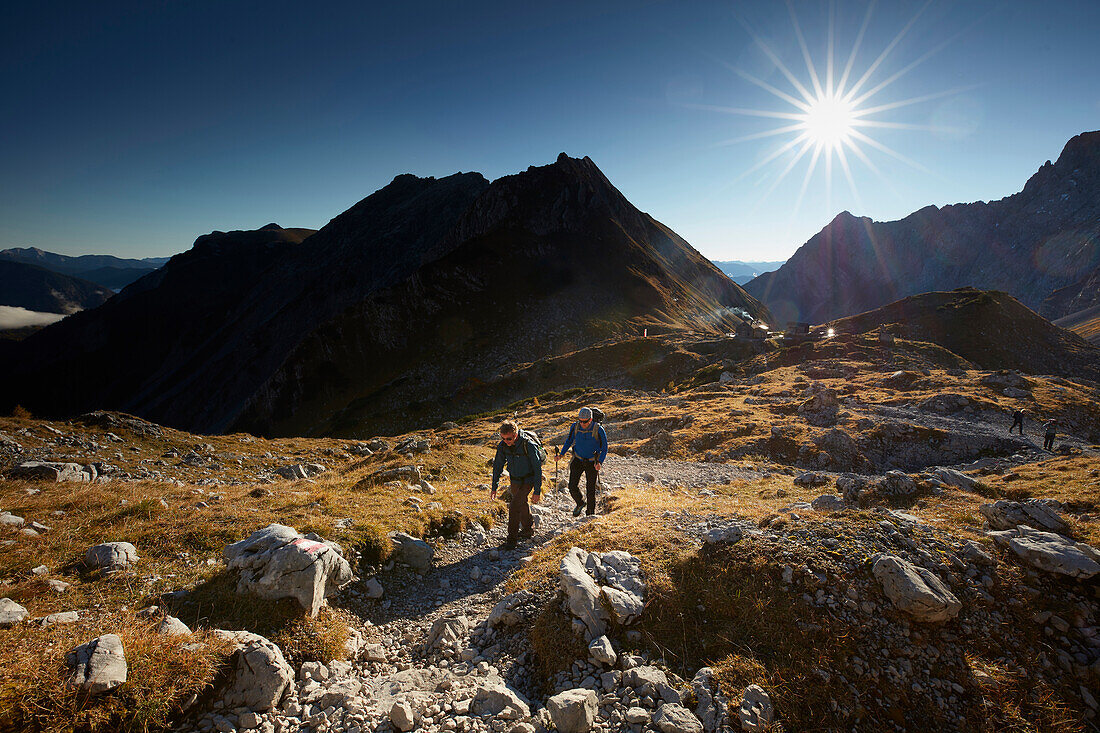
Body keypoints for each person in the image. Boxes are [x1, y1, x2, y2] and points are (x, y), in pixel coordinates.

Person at [490, 420, 544, 549]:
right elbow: (497, 466)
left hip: (528, 479)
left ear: (515, 435)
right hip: (514, 479)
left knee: (514, 506)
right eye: (503, 439)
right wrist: (494, 487)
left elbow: (537, 469)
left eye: (509, 439)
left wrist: (537, 491)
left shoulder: (528, 445)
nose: (506, 441)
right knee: (521, 503)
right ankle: (527, 529)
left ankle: (511, 540)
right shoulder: (503, 446)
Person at [558, 407, 608, 517]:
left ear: (590, 420)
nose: (582, 423)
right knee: (572, 486)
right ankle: (580, 503)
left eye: (584, 422)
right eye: (580, 420)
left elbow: (604, 448)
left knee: (590, 489)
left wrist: (599, 462)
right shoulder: (575, 426)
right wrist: (561, 454)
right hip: (578, 459)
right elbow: (569, 441)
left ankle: (590, 514)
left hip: (592, 462)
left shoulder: (598, 429)